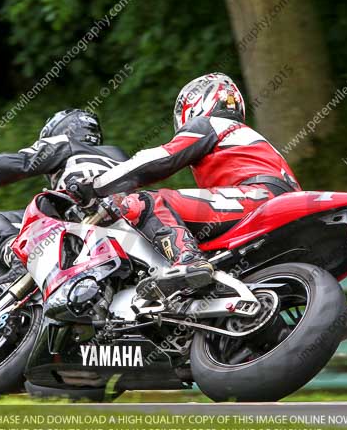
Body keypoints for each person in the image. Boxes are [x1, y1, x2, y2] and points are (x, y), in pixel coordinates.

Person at [74, 73, 300, 294]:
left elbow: (160, 160)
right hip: (278, 202)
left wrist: (97, 185)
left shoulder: (211, 125)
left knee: (144, 202)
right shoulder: (246, 138)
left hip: (258, 196)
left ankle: (188, 261)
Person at [0, 109, 126, 291]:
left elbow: (1, 167)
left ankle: (20, 263)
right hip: (127, 235)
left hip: (78, 225)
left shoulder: (66, 143)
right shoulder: (121, 156)